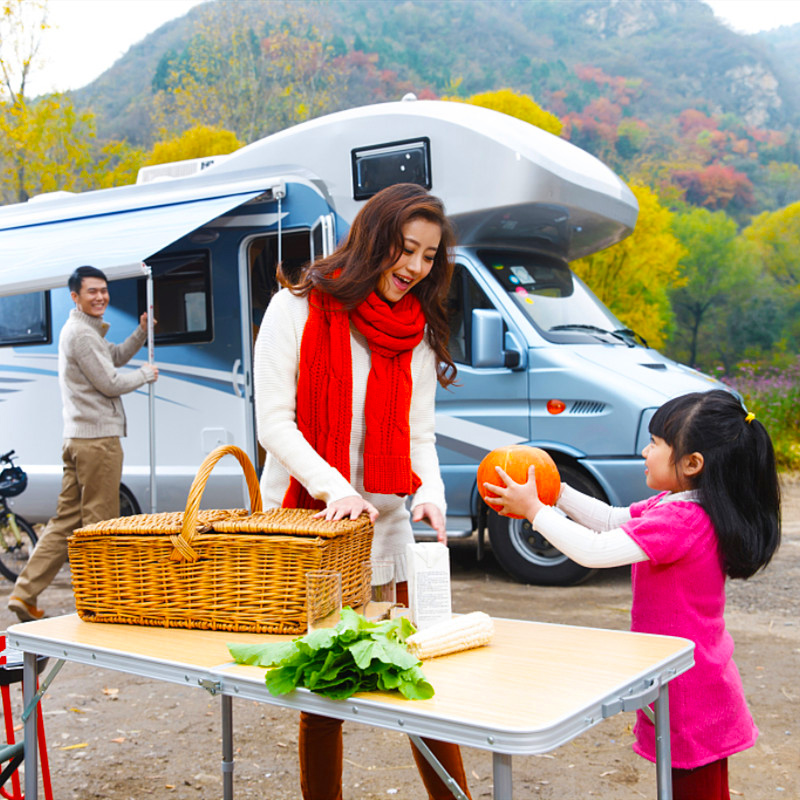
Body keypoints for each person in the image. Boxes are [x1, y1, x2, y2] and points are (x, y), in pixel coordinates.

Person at [253, 183, 472, 800]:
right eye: (405, 249)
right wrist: (334, 490)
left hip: (388, 524)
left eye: (429, 256)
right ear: (373, 240)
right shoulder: (293, 309)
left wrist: (428, 489)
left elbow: (419, 435)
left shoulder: (416, 330)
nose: (415, 268)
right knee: (325, 688)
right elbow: (275, 423)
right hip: (312, 528)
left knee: (418, 677)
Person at [484, 389, 781, 800]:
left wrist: (536, 511)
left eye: (656, 444)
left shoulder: (682, 520)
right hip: (692, 679)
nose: (644, 451)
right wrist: (556, 491)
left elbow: (594, 550)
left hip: (690, 691)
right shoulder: (678, 504)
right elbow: (608, 521)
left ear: (692, 464)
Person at [8, 265, 158, 623]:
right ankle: (99, 602)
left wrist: (140, 333)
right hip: (97, 442)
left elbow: (116, 356)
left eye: (103, 290)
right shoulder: (81, 334)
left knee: (65, 522)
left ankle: (24, 592)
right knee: (99, 522)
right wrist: (145, 375)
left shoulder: (83, 332)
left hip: (79, 438)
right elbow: (110, 382)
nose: (100, 297)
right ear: (75, 296)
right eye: (92, 291)